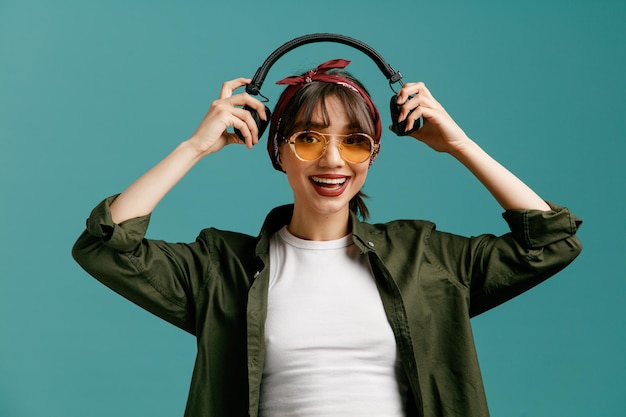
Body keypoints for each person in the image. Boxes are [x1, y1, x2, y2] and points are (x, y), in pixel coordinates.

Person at [72, 58, 582, 417]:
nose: (333, 161)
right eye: (310, 139)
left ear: (374, 154)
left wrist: (459, 145)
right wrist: (194, 147)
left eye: (354, 143)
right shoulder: (220, 268)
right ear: (278, 150)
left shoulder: (426, 257)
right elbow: (105, 246)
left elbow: (551, 240)